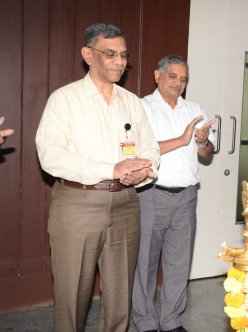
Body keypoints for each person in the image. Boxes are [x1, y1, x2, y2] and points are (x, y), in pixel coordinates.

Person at [35, 23, 160, 332]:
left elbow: (151, 149)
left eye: (124, 55)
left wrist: (142, 173)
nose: (120, 61)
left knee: (120, 297)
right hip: (77, 204)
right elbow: (51, 155)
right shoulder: (64, 99)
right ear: (88, 54)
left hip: (125, 204)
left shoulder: (132, 102)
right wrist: (112, 169)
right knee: (72, 297)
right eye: (111, 54)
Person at [131, 55, 215, 332]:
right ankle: (144, 321)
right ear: (157, 75)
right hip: (151, 194)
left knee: (179, 262)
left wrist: (202, 141)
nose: (179, 83)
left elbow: (206, 154)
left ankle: (170, 320)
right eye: (173, 76)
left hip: (186, 196)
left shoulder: (194, 109)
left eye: (184, 79)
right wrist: (182, 139)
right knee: (145, 262)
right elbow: (141, 150)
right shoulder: (141, 107)